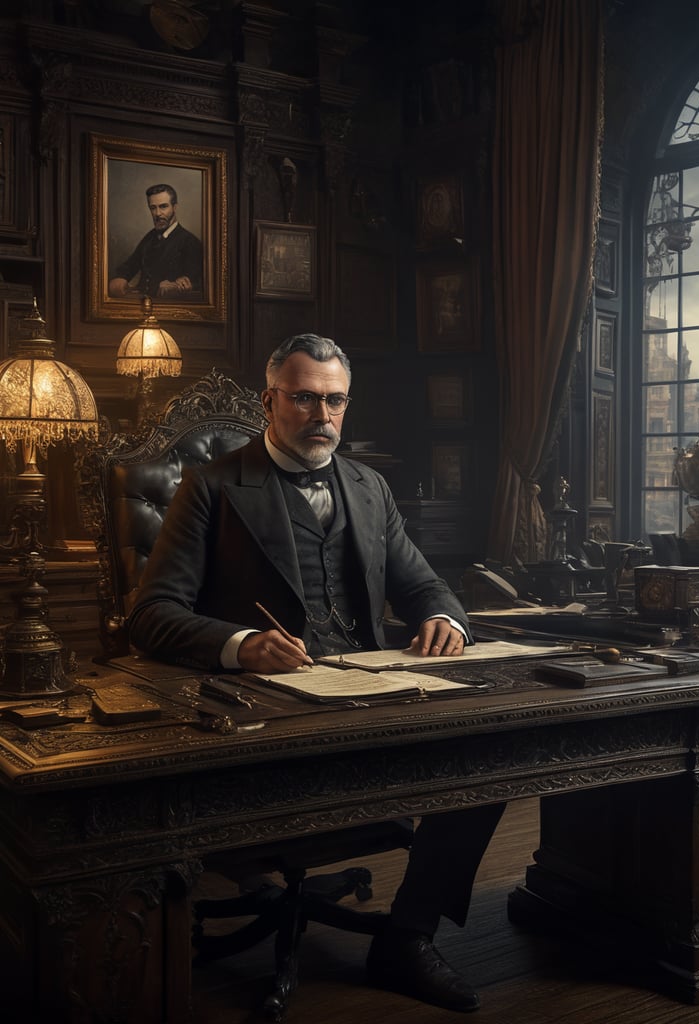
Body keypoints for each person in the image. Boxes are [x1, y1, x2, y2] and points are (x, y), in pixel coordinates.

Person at [127, 332, 504, 1013]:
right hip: (262, 716)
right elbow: (151, 614)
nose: (320, 415)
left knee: (493, 754)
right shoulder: (210, 486)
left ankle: (406, 938)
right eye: (303, 398)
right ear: (271, 400)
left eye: (334, 400)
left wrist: (448, 621)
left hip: (370, 700)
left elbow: (426, 587)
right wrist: (242, 644)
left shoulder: (368, 486)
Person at [108, 183, 203, 300]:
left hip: (170, 309)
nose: (158, 214)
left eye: (163, 206)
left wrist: (178, 286)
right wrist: (120, 278)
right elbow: (130, 266)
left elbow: (198, 284)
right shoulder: (150, 237)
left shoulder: (190, 242)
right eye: (153, 208)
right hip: (142, 304)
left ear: (175, 207)